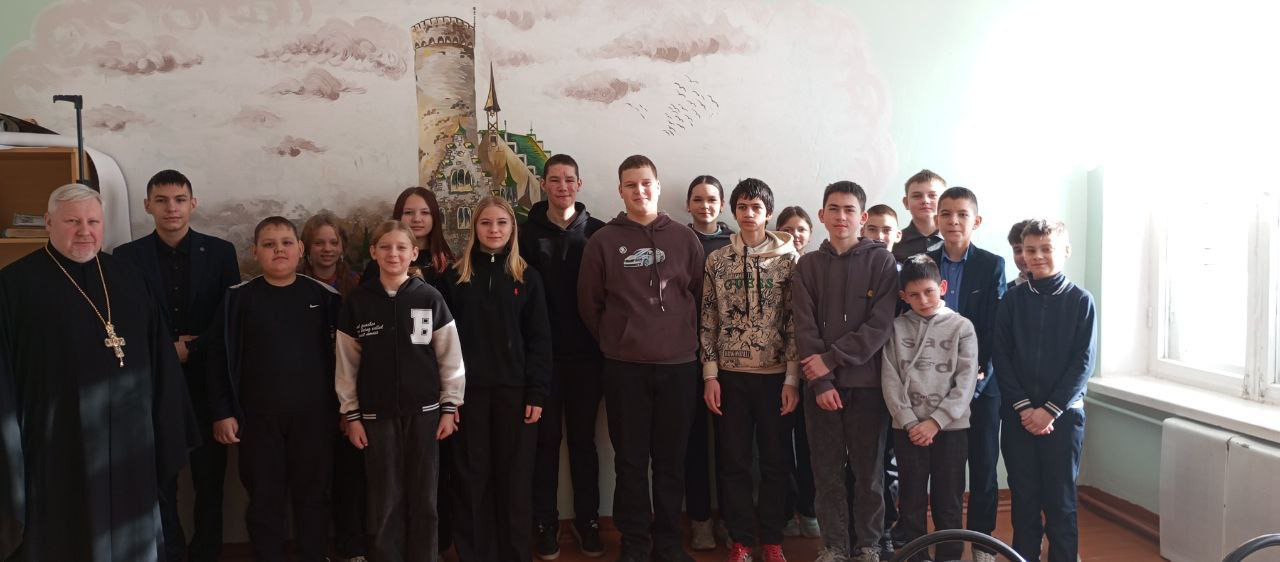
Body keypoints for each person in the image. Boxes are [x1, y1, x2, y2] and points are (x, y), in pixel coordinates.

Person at [0, 183, 198, 561]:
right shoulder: (14, 285)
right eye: (72, 222)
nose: (84, 231)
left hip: (130, 440)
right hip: (59, 442)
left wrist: (165, 423)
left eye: (93, 221)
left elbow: (160, 358)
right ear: (48, 222)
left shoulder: (128, 276)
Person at [578, 155, 704, 562]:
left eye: (646, 183)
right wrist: (618, 339)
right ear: (620, 191)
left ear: (658, 185)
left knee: (670, 462)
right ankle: (635, 543)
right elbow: (590, 304)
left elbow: (700, 298)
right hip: (625, 369)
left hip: (679, 367)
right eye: (631, 184)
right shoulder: (602, 242)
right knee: (630, 462)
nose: (640, 190)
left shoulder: (685, 239)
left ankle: (668, 543)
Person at [113, 170, 241, 562]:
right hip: (152, 382)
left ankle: (206, 553)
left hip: (208, 381)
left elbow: (229, 316)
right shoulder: (126, 257)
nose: (172, 208)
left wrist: (193, 347)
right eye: (162, 200)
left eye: (180, 199)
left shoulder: (220, 252)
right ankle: (170, 553)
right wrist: (167, 351)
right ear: (147, 205)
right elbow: (124, 319)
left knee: (209, 478)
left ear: (193, 203)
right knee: (160, 478)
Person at [206, 217, 340, 562]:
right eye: (269, 244)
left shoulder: (324, 297)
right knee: (265, 499)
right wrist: (222, 412)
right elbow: (218, 360)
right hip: (257, 420)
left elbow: (346, 359)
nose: (278, 250)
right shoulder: (237, 299)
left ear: (300, 249)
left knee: (314, 496)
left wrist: (345, 411)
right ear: (254, 252)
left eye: (286, 243)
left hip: (315, 419)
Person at [337, 219, 465, 562]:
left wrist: (449, 406)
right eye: (385, 247)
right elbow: (347, 366)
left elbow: (450, 358)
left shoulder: (430, 298)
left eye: (401, 247)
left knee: (425, 499)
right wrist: (352, 415)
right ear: (374, 252)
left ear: (413, 253)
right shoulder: (358, 302)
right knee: (384, 500)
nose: (393, 253)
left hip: (425, 415)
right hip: (375, 417)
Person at [442, 196, 553, 562]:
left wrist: (537, 392)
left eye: (501, 223)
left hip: (516, 393)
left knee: (515, 478)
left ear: (512, 229)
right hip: (468, 394)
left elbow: (539, 340)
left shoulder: (528, 277)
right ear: (474, 227)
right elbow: (443, 345)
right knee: (472, 477)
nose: (494, 229)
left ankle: (515, 553)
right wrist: (449, 397)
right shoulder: (455, 278)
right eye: (486, 223)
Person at [792, 181, 897, 562]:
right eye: (833, 209)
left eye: (849, 209)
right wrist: (821, 381)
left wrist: (832, 359)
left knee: (869, 473)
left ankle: (868, 544)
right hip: (821, 387)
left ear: (862, 217)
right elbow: (804, 327)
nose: (841, 216)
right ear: (822, 215)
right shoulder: (807, 265)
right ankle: (834, 545)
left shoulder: (882, 263)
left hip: (867, 387)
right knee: (827, 472)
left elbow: (879, 326)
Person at [700, 179, 799, 562]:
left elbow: (795, 322)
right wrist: (710, 374)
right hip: (730, 377)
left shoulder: (790, 261)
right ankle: (740, 539)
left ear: (768, 213)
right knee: (734, 463)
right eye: (742, 206)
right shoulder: (717, 260)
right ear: (734, 211)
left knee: (775, 462)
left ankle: (772, 539)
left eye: (756, 207)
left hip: (775, 378)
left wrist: (792, 378)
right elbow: (708, 317)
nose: (748, 213)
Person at [520, 154, 608, 559]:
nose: (562, 187)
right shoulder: (524, 236)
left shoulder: (599, 233)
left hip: (589, 359)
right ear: (543, 184)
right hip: (543, 361)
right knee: (545, 443)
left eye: (569, 179)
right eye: (554, 180)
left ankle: (589, 522)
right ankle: (545, 523)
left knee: (584, 443)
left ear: (579, 184)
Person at [995, 219, 1096, 562]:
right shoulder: (1012, 300)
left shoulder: (1081, 301)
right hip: (1019, 417)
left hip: (1064, 418)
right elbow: (1002, 357)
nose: (1037, 256)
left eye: (1046, 249)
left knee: (1061, 499)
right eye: (1030, 250)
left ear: (1065, 251)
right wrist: (1025, 408)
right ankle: (1025, 556)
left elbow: (1083, 362)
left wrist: (1050, 410)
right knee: (1024, 496)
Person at [924, 187, 1007, 560]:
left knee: (984, 466)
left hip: (981, 385)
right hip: (935, 384)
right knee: (947, 471)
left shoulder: (992, 265)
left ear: (976, 221)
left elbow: (994, 328)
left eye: (962, 214)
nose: (953, 221)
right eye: (946, 214)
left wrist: (976, 374)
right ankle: (948, 542)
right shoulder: (923, 262)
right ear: (936, 219)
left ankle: (982, 541)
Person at [880, 255, 978, 562]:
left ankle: (949, 555)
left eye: (929, 292)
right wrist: (910, 422)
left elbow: (966, 382)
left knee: (948, 498)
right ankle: (916, 555)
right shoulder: (895, 329)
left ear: (943, 287)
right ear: (903, 296)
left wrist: (935, 422)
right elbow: (890, 379)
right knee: (911, 498)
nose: (923, 300)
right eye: (914, 295)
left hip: (951, 428)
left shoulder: (962, 327)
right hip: (908, 429)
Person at [298, 213, 367, 561]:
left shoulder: (357, 286)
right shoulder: (294, 285)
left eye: (333, 242)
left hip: (351, 394)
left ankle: (352, 546)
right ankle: (316, 549)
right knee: (313, 479)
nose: (326, 249)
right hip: (309, 396)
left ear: (343, 247)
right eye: (319, 242)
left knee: (351, 478)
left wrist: (349, 407)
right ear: (306, 248)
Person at [685, 174, 732, 550]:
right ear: (688, 204)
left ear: (722, 204)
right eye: (698, 199)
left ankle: (730, 519)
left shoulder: (735, 243)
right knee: (694, 442)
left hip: (730, 357)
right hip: (687, 356)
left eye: (712, 199)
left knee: (731, 445)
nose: (705, 206)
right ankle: (700, 519)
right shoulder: (678, 239)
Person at [774, 205, 819, 539]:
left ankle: (809, 509)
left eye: (801, 229)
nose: (795, 234)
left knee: (810, 445)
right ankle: (786, 509)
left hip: (814, 370)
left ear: (810, 233)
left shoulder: (817, 267)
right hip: (778, 370)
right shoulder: (771, 264)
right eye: (788, 229)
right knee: (779, 446)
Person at [362, 187, 455, 288]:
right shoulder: (383, 261)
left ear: (434, 218)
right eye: (408, 212)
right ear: (398, 216)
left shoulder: (448, 265)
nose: (417, 219)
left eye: (425, 212)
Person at [891, 170, 946, 262]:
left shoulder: (956, 242)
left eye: (932, 195)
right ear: (906, 203)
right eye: (917, 196)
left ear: (945, 201)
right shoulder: (893, 243)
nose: (925, 201)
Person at [1006, 219, 1032, 289]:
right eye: (1018, 250)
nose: (1023, 256)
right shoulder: (1005, 291)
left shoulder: (1058, 290)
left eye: (1030, 250)